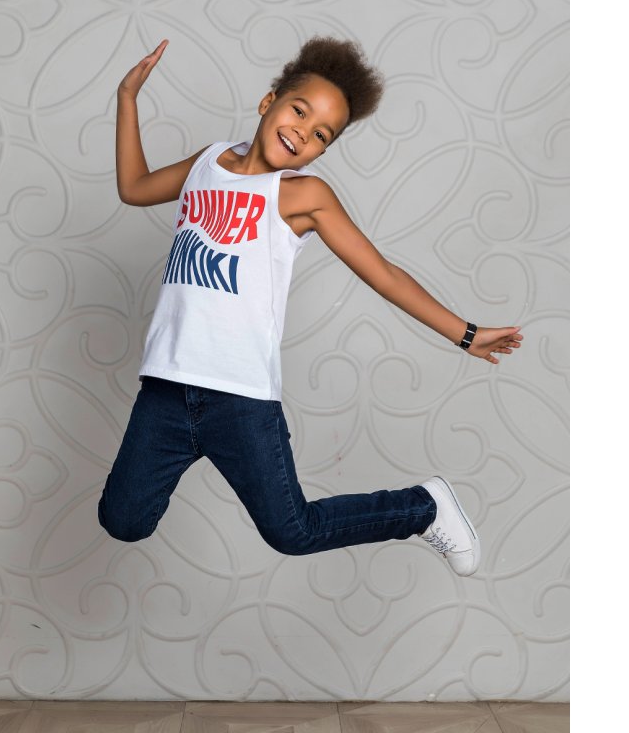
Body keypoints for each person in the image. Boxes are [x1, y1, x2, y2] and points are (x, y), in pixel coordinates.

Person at [97, 36, 523, 576]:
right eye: (300, 111)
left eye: (321, 133)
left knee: (292, 531)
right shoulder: (209, 161)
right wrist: (127, 98)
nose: (304, 131)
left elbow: (385, 275)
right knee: (123, 519)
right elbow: (134, 187)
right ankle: (422, 507)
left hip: (240, 398)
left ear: (323, 151)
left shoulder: (303, 195)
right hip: (166, 386)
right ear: (268, 101)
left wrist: (465, 332)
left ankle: (423, 507)